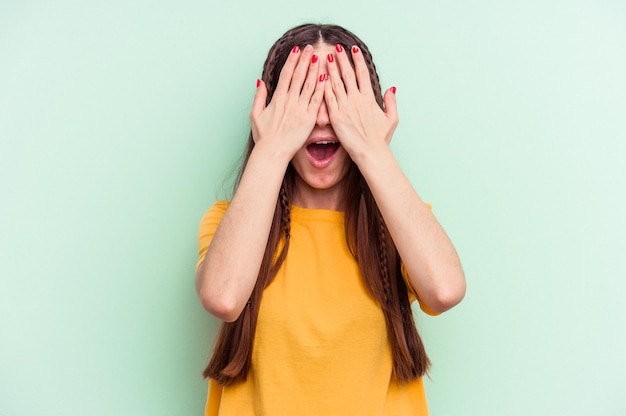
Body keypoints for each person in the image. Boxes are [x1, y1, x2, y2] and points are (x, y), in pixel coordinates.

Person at [195, 23, 466, 415]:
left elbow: (444, 291)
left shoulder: (399, 227)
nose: (321, 120)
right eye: (303, 97)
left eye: (338, 98)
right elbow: (223, 297)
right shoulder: (227, 222)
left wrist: (372, 148)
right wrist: (270, 147)